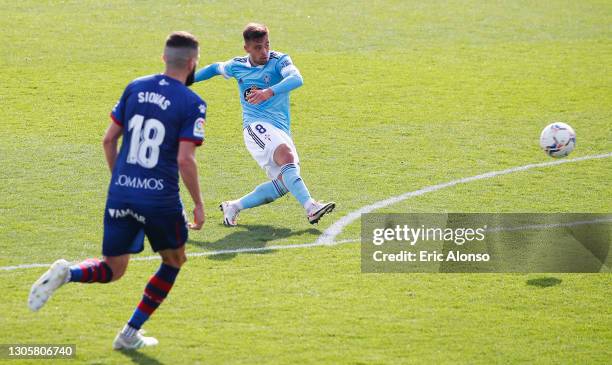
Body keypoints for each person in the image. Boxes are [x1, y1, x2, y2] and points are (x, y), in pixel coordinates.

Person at [28, 31, 206, 350]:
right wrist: (198, 204)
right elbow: (185, 159)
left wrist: (119, 179)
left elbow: (109, 139)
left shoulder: (135, 87)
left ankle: (68, 273)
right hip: (160, 199)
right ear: (193, 63)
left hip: (121, 192)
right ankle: (128, 333)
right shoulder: (192, 102)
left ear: (164, 57)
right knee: (174, 260)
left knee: (113, 268)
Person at [194, 23, 335, 226]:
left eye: (267, 45)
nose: (265, 52)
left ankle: (233, 206)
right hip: (255, 126)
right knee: (286, 155)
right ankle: (311, 207)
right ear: (247, 49)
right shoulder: (237, 65)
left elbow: (297, 78)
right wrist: (185, 79)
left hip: (280, 129)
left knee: (286, 182)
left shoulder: (280, 60)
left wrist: (268, 91)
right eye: (259, 47)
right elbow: (215, 68)